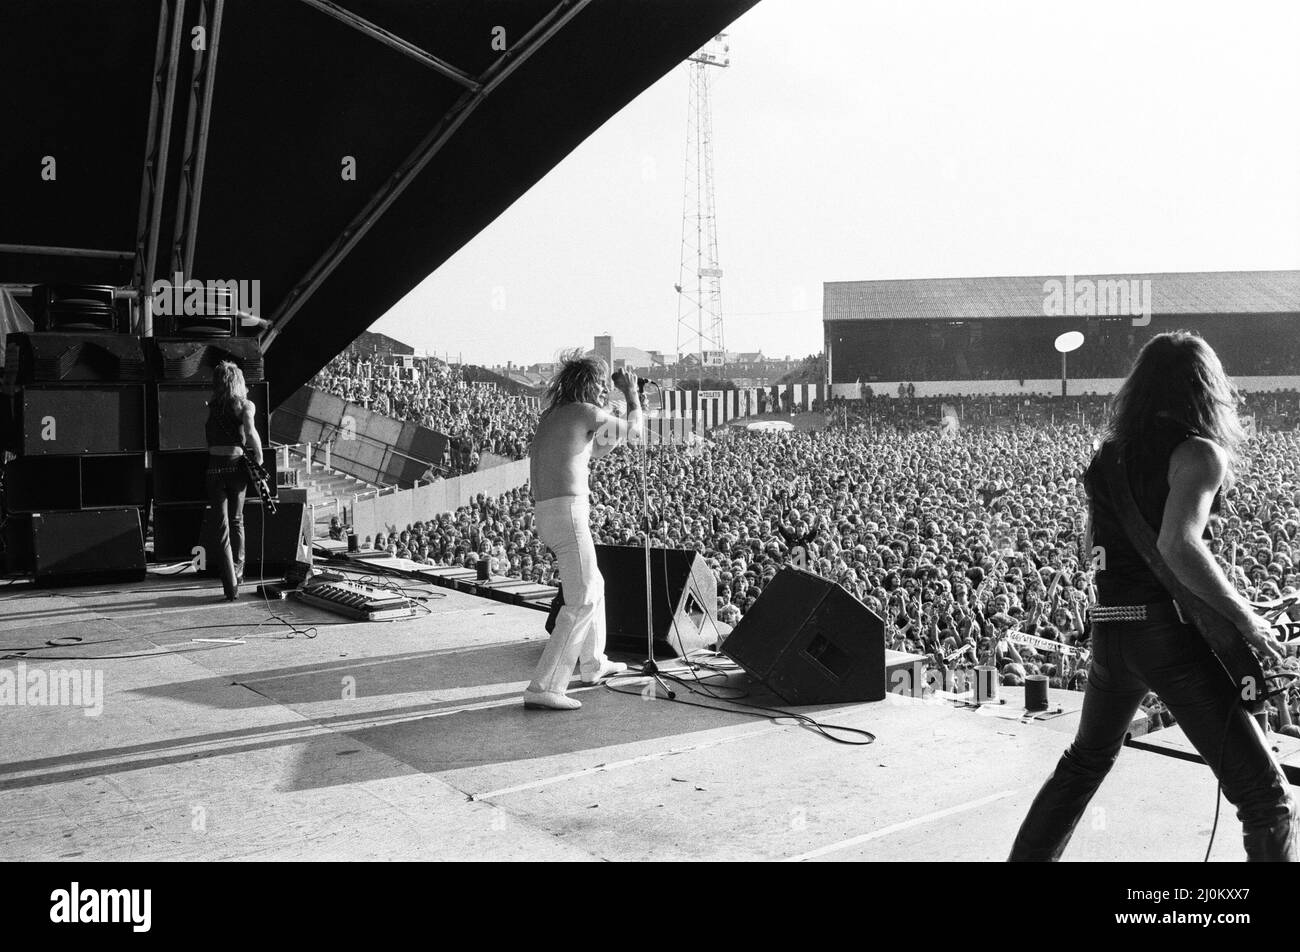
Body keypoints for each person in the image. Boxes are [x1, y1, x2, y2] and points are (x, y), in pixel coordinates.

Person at [1009, 332, 1294, 861]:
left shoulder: (1109, 457)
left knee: (1083, 764)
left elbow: (1090, 545)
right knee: (1267, 798)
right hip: (1164, 636)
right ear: (1207, 388)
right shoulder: (1199, 453)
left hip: (1110, 632)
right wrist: (1247, 621)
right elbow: (1177, 544)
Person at [522, 351, 644, 710]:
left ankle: (593, 663)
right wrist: (632, 397)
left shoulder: (554, 416)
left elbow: (595, 450)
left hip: (549, 512)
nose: (607, 393)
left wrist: (615, 415)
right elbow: (636, 433)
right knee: (581, 600)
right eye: (604, 388)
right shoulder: (585, 412)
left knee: (595, 584)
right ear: (592, 386)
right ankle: (545, 686)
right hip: (568, 513)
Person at [205, 360, 264, 601]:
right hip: (235, 466)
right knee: (237, 521)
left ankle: (230, 586)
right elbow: (250, 432)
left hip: (213, 467)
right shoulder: (245, 405)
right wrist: (259, 457)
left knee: (221, 529)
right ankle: (238, 574)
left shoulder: (212, 406)